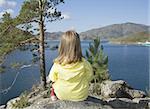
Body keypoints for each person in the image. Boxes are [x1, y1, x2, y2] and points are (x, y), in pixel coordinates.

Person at [47, 30, 93, 101]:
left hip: (61, 95)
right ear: (78, 46)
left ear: (62, 46)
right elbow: (89, 77)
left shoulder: (57, 63)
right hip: (81, 95)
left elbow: (52, 78)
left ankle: (53, 95)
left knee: (54, 84)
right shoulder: (84, 63)